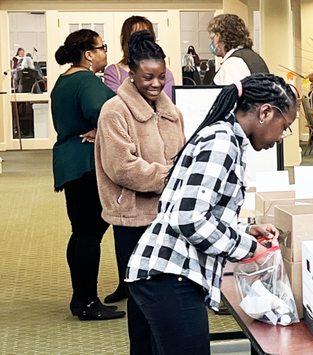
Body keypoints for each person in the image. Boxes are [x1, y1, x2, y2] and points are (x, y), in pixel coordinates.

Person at [125, 73, 296, 354]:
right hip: (171, 275)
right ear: (265, 112)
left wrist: (243, 229)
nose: (280, 138)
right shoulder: (222, 141)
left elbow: (202, 208)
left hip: (161, 275)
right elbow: (189, 218)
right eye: (284, 127)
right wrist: (247, 248)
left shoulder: (223, 136)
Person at [94, 30, 185, 321]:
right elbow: (121, 167)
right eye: (148, 78)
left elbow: (182, 155)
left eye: (161, 76)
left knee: (168, 298)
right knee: (141, 299)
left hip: (168, 216)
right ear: (131, 74)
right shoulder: (114, 111)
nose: (156, 84)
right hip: (132, 218)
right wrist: (170, 176)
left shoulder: (172, 112)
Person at [51, 29, 125, 321]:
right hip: (85, 165)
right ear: (89, 54)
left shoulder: (65, 79)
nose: (106, 52)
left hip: (71, 164)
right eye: (102, 47)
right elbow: (105, 111)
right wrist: (102, 129)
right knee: (88, 235)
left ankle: (81, 298)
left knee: (82, 232)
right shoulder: (85, 80)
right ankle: (86, 302)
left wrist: (99, 128)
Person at [104, 16, 175, 100]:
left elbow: (166, 103)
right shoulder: (113, 72)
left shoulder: (166, 74)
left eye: (146, 36)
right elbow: (117, 102)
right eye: (136, 35)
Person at [208, 14, 269, 85]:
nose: (212, 42)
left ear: (220, 37)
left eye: (212, 38)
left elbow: (230, 94)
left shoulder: (233, 63)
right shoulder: (254, 57)